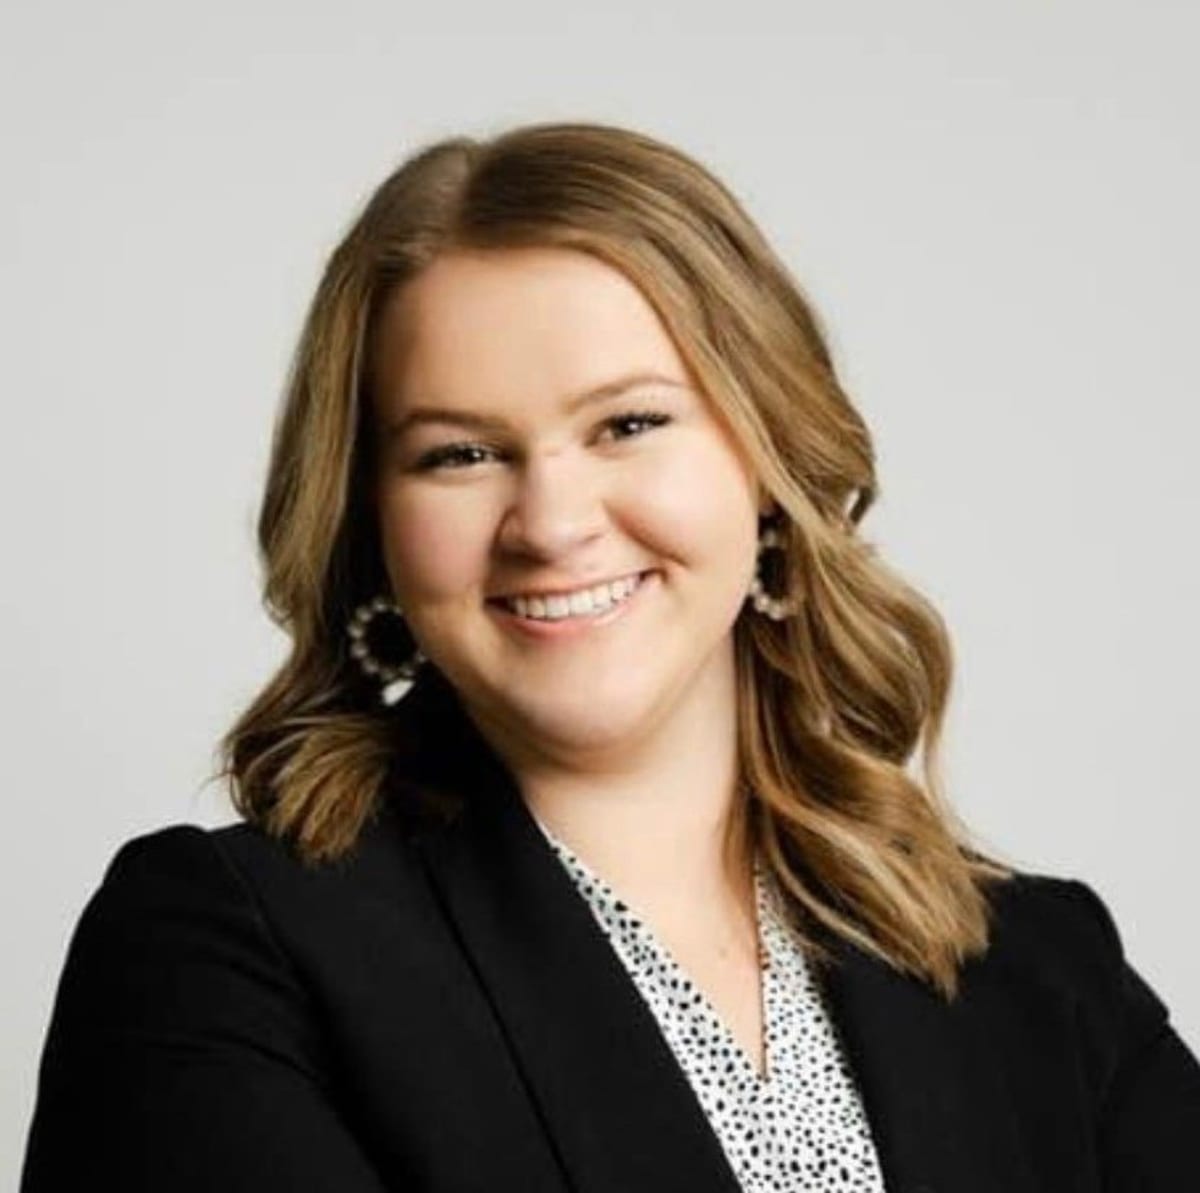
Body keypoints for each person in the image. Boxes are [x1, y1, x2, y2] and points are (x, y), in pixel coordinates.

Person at [20, 121, 1200, 1192]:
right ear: (369, 523)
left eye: (629, 424)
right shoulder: (224, 949)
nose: (552, 520)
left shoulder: (1039, 967)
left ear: (768, 466)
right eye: (459, 454)